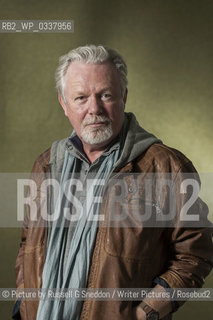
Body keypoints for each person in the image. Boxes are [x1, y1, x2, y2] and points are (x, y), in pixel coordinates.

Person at [13, 45, 213, 320]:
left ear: (124, 97)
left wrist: (146, 312)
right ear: (63, 103)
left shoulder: (166, 168)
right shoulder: (46, 165)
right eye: (81, 97)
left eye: (105, 95)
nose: (94, 109)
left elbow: (195, 253)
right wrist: (24, 303)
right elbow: (29, 244)